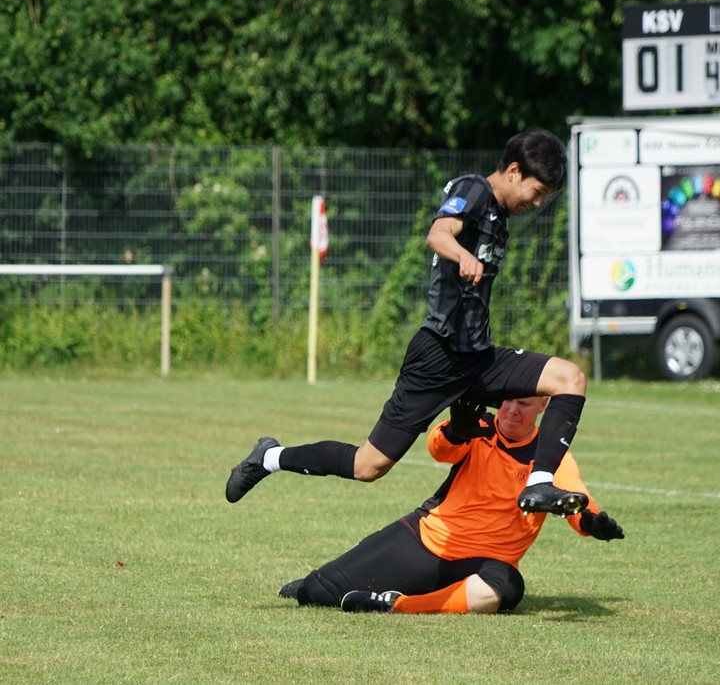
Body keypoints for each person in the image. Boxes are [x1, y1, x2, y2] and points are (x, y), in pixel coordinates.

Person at [226, 130, 590, 516]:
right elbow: (438, 233)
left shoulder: (499, 215)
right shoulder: (474, 190)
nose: (537, 203)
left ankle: (539, 483)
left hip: (479, 359)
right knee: (368, 466)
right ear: (514, 171)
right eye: (537, 191)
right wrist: (462, 256)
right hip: (439, 356)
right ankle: (269, 457)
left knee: (570, 378)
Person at [276, 397, 624, 614]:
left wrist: (591, 523)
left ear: (543, 405)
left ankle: (395, 605)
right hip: (428, 540)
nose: (512, 410)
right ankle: (328, 577)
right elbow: (439, 449)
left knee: (507, 587)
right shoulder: (480, 425)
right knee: (314, 593)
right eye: (508, 401)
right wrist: (457, 431)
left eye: (524, 404)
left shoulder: (551, 455)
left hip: (485, 563)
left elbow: (575, 500)